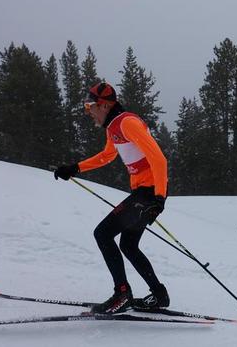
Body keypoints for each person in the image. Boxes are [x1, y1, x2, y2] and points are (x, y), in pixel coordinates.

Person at [53, 82, 169, 314]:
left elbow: (159, 159)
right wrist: (75, 168)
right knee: (128, 244)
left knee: (103, 234)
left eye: (90, 106)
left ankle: (122, 294)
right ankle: (159, 295)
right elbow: (107, 156)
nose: (89, 112)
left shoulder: (128, 122)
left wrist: (159, 199)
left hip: (148, 193)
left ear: (104, 105)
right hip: (143, 192)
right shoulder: (113, 127)